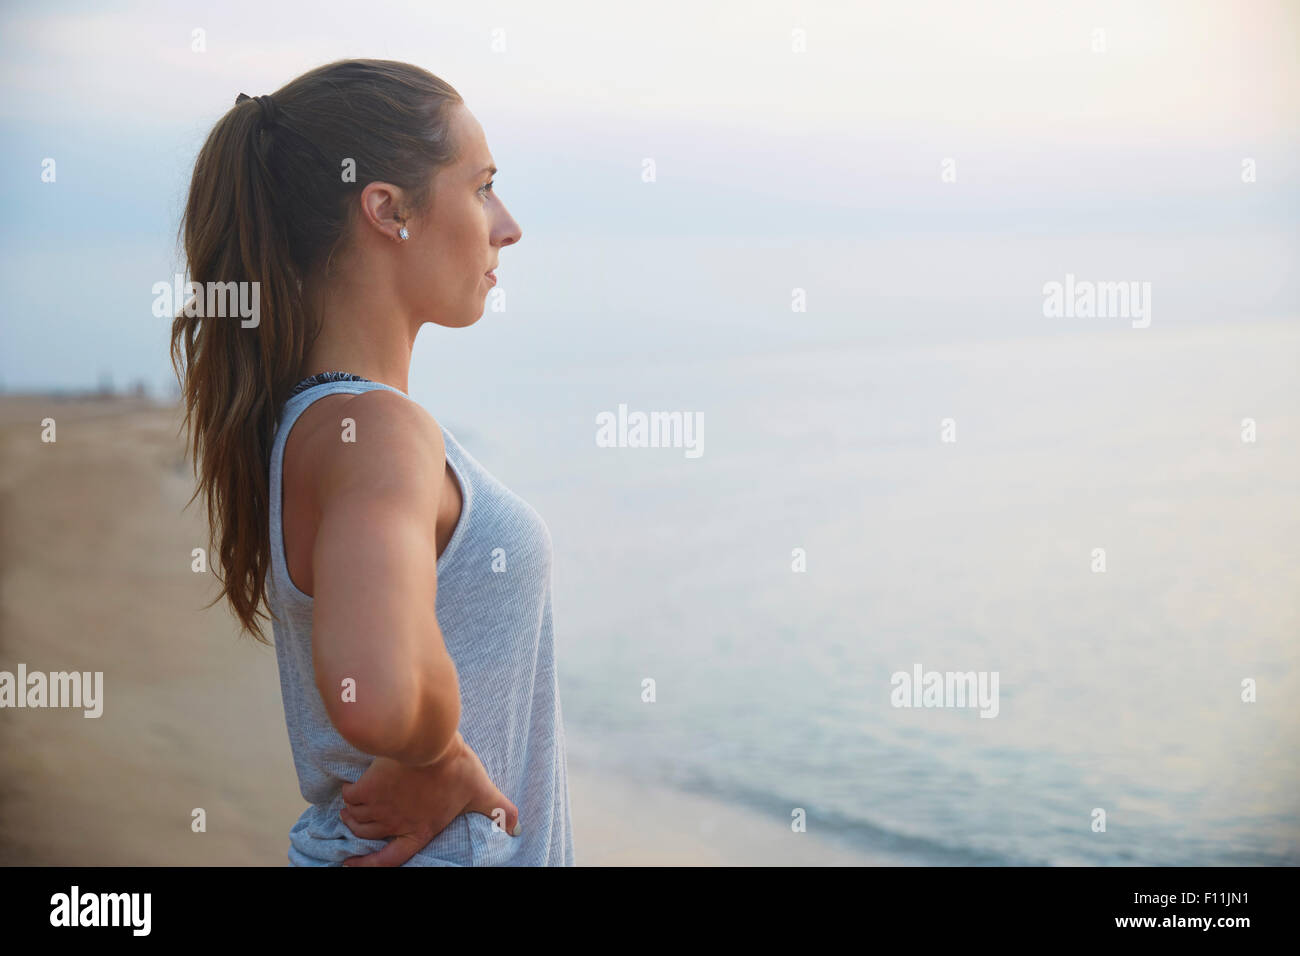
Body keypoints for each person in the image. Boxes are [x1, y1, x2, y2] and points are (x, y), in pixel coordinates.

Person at [168, 58, 574, 866]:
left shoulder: (318, 428)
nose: (508, 225)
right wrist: (445, 756)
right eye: (482, 186)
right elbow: (377, 694)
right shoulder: (376, 433)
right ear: (388, 211)